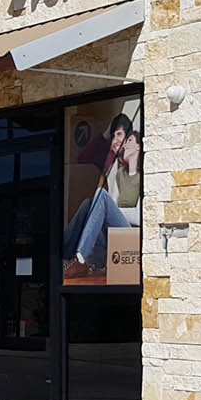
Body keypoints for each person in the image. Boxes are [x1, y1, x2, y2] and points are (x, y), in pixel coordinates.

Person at [63, 116, 141, 280]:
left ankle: (81, 258)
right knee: (87, 204)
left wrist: (111, 210)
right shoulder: (116, 168)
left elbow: (141, 216)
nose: (114, 140)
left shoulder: (142, 172)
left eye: (118, 135)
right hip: (112, 230)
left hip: (131, 233)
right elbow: (84, 159)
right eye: (113, 136)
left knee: (102, 199)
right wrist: (105, 134)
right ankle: (62, 254)